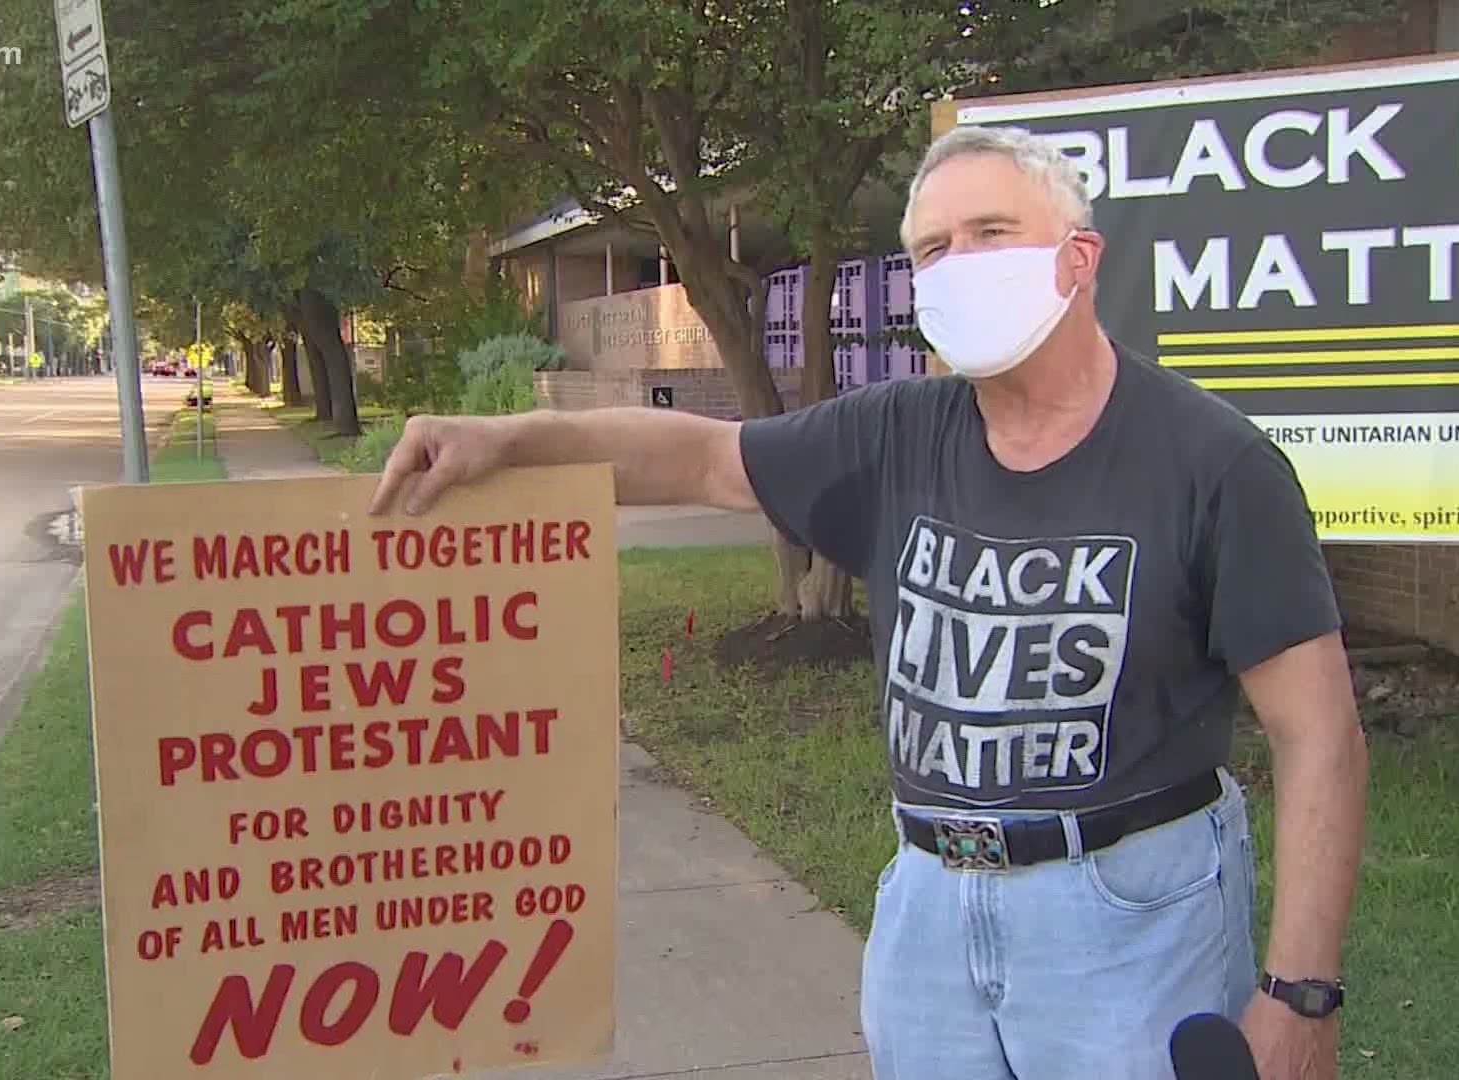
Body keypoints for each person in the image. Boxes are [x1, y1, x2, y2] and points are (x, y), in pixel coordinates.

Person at [370, 125, 1369, 1080]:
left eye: (990, 234)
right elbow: (707, 457)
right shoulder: (898, 436)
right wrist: (506, 441)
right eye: (932, 248)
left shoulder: (1214, 463)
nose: (959, 263)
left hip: (1129, 916)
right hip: (931, 909)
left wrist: (1298, 996)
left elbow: (1318, 732)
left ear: (1078, 259)